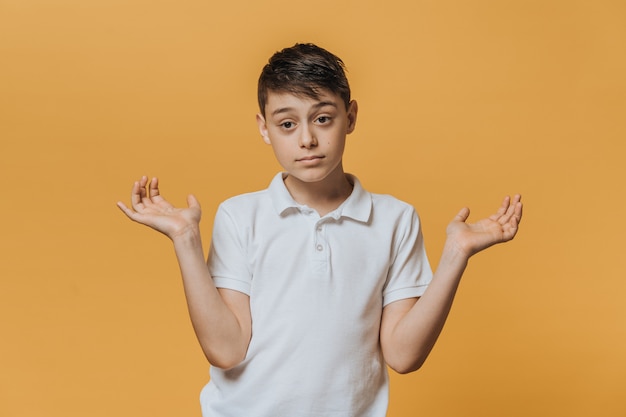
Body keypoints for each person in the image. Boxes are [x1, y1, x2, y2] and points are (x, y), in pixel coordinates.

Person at [117, 43, 523, 416]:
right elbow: (225, 350)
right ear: (264, 128)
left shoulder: (395, 219)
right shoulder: (239, 216)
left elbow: (403, 355)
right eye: (287, 124)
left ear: (351, 117)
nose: (307, 139)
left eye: (323, 119)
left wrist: (456, 254)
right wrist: (186, 241)